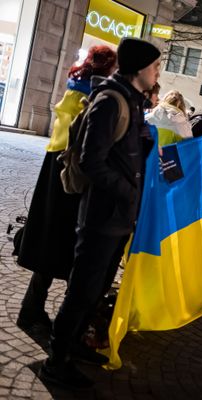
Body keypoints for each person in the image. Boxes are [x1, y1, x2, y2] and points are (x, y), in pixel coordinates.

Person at [41, 38, 161, 389]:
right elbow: (93, 161)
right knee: (81, 291)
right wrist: (127, 193)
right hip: (100, 215)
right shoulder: (111, 101)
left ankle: (75, 345)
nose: (158, 71)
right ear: (139, 67)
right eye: (155, 65)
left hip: (117, 216)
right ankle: (56, 361)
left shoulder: (133, 101)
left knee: (96, 289)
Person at [15, 46, 117, 333]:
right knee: (55, 243)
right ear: (105, 68)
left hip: (55, 166)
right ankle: (33, 311)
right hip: (68, 172)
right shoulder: (90, 96)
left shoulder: (76, 89)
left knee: (50, 240)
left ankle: (32, 307)